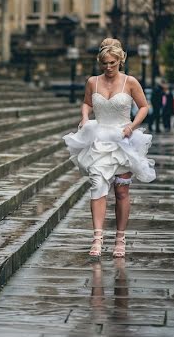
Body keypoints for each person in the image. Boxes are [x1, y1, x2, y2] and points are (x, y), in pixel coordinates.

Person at [63, 38, 156, 258]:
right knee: (97, 184)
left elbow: (144, 107)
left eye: (113, 63)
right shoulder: (92, 82)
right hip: (98, 137)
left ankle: (120, 239)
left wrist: (132, 126)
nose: (108, 67)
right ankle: (97, 237)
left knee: (121, 190)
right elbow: (87, 103)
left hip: (123, 140)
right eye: (105, 63)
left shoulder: (130, 82)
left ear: (120, 61)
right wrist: (85, 117)